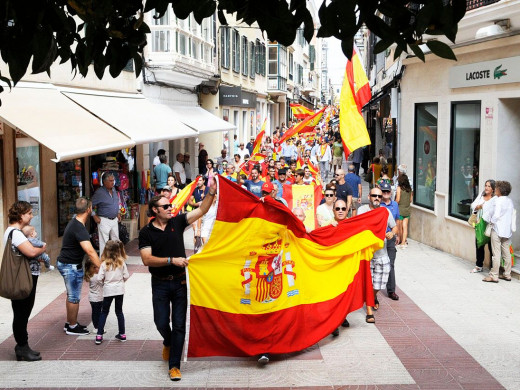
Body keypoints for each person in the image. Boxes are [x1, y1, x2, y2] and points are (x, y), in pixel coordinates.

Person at [138, 178, 217, 381]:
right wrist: (172, 260)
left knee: (180, 324)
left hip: (180, 283)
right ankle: (167, 340)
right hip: (160, 283)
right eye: (165, 206)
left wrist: (211, 192)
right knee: (161, 321)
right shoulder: (146, 233)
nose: (170, 208)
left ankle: (174, 365)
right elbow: (147, 260)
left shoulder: (178, 221)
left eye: (171, 205)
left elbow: (202, 211)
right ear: (155, 211)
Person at [4, 201, 47, 361]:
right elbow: (30, 252)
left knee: (23, 312)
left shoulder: (15, 232)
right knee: (22, 312)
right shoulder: (15, 233)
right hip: (23, 279)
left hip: (26, 277)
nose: (31, 216)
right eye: (29, 213)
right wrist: (42, 249)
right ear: (21, 215)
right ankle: (22, 346)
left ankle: (23, 346)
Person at [57, 197, 101, 336]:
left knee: (71, 295)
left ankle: (70, 322)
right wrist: (101, 268)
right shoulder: (79, 228)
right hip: (70, 266)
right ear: (88, 209)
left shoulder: (75, 223)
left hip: (68, 263)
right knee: (74, 297)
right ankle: (72, 326)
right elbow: (90, 251)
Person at [357, 188, 397, 323]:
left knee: (379, 284)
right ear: (369, 196)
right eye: (374, 195)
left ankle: (373, 296)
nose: (377, 198)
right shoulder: (362, 210)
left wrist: (392, 233)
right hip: (366, 254)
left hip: (382, 252)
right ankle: (369, 311)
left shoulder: (385, 211)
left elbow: (394, 226)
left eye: (379, 196)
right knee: (368, 282)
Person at [95, 240, 129, 344]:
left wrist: (104, 283)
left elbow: (99, 278)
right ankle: (122, 334)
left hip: (108, 290)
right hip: (119, 290)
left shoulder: (104, 264)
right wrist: (121, 281)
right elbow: (126, 276)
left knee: (104, 312)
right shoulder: (121, 262)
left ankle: (99, 335)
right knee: (119, 312)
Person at [482, 181, 514, 283]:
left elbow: (495, 215)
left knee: (496, 253)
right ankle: (507, 274)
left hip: (497, 229)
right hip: (507, 231)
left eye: (496, 188)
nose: (495, 189)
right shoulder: (510, 201)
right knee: (506, 252)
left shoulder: (498, 201)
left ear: (500, 190)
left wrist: (491, 222)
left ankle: (494, 275)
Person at [380, 181, 400, 301]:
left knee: (391, 264)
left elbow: (397, 220)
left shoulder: (395, 205)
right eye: (384, 191)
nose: (386, 193)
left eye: (387, 191)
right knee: (377, 264)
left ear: (390, 192)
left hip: (391, 237)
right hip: (380, 238)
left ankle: (391, 290)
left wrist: (396, 235)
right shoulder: (379, 204)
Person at [92, 172, 120, 255]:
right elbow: (89, 205)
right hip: (104, 220)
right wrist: (94, 216)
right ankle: (104, 263)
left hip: (114, 219)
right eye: (110, 181)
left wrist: (118, 212)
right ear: (104, 182)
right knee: (104, 242)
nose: (113, 182)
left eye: (113, 180)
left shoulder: (114, 189)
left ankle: (117, 260)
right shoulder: (99, 192)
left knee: (116, 241)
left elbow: (116, 202)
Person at [470, 180, 495, 273]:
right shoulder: (482, 194)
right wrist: (477, 207)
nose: (486, 188)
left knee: (491, 247)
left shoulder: (495, 198)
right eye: (486, 185)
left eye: (489, 186)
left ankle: (493, 268)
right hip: (480, 223)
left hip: (490, 224)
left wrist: (482, 206)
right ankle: (479, 266)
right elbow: (473, 205)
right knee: (479, 244)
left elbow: (492, 210)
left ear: (493, 188)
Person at [84, 258, 103, 333]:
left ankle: (97, 326)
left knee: (95, 312)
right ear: (94, 268)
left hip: (93, 297)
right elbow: (103, 282)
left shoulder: (91, 276)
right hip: (97, 298)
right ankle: (96, 327)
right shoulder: (96, 277)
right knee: (97, 313)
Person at [395, 174, 413, 249]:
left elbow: (398, 200)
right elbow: (410, 200)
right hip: (407, 209)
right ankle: (403, 242)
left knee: (400, 227)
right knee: (405, 227)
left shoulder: (399, 188)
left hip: (400, 210)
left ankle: (401, 240)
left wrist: (394, 203)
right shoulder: (410, 189)